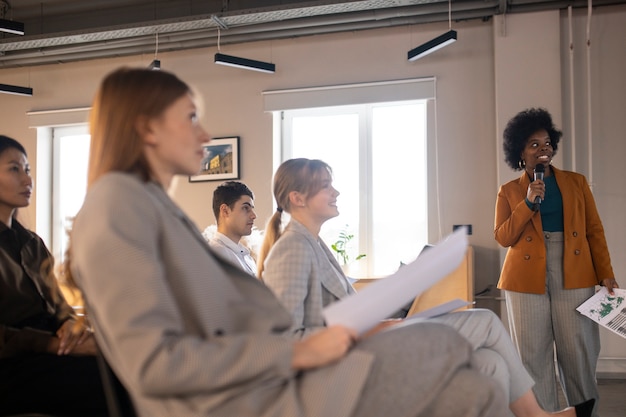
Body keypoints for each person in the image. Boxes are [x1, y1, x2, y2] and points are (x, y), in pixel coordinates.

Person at [64, 66, 511, 417]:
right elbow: (155, 363)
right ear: (147, 128)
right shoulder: (117, 207)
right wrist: (297, 350)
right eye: (191, 117)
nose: (204, 135)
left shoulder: (149, 207)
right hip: (242, 401)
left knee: (476, 385)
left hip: (263, 381)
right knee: (446, 346)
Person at [258, 157, 595, 417]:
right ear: (297, 198)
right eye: (326, 186)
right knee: (486, 321)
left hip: (371, 341)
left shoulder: (314, 244)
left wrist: (384, 318)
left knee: (490, 363)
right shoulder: (291, 248)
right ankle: (535, 416)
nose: (336, 192)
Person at [495, 108, 619, 417]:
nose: (543, 149)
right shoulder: (509, 191)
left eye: (547, 143)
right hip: (525, 276)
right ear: (520, 153)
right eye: (534, 144)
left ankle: (585, 412)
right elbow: (503, 237)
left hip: (574, 269)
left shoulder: (576, 183)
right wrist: (527, 203)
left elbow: (594, 230)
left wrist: (606, 273)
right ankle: (543, 414)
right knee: (531, 354)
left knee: (578, 349)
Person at [0, 135, 109, 416]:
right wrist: (51, 344)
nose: (28, 180)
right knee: (101, 381)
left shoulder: (32, 243)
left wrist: (72, 330)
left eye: (28, 170)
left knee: (132, 367)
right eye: (15, 169)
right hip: (12, 364)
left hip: (50, 350)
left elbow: (60, 308)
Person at [208, 180, 258, 275]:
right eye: (245, 208)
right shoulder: (218, 255)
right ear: (225, 211)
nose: (254, 215)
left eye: (252, 209)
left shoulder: (246, 255)